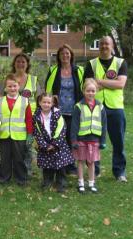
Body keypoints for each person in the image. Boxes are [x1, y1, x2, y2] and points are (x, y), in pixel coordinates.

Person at [84, 36, 128, 182]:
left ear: (112, 45)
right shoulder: (91, 64)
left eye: (106, 44)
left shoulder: (120, 62)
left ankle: (119, 172)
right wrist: (111, 83)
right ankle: (94, 171)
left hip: (115, 107)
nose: (104, 46)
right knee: (93, 141)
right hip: (95, 107)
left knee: (118, 141)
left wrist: (99, 81)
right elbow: (88, 85)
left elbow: (121, 84)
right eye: (101, 43)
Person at [45, 44, 84, 174]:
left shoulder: (79, 70)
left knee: (72, 137)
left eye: (67, 53)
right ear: (59, 56)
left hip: (74, 110)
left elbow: (84, 88)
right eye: (62, 54)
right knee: (60, 138)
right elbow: (47, 89)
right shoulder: (53, 70)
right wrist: (51, 98)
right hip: (58, 111)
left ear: (71, 55)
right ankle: (60, 163)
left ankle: (71, 165)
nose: (65, 56)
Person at [0, 74, 33, 186]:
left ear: (19, 86)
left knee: (19, 158)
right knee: (5, 158)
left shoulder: (25, 101)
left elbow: (28, 119)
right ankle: (4, 178)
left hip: (19, 135)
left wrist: (30, 134)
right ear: (5, 87)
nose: (12, 88)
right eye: (9, 86)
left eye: (14, 86)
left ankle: (21, 179)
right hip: (4, 134)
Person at [71, 79, 107, 193]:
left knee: (91, 162)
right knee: (80, 161)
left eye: (93, 91)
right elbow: (74, 125)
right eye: (88, 91)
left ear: (96, 91)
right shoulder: (78, 106)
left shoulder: (100, 106)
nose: (90, 93)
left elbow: (104, 124)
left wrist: (103, 140)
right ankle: (81, 183)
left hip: (94, 139)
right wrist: (74, 140)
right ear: (83, 91)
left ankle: (91, 183)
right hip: (81, 139)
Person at [33, 93, 74, 193]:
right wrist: (44, 145)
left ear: (52, 104)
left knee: (60, 165)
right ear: (39, 102)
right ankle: (47, 182)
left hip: (58, 144)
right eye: (44, 102)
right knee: (47, 166)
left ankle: (61, 183)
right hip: (45, 145)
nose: (46, 104)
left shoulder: (57, 114)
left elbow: (62, 129)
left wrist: (54, 144)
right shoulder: (36, 116)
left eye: (48, 102)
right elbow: (37, 132)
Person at [11, 53, 41, 178]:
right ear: (14, 64)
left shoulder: (33, 79)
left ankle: (27, 170)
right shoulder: (9, 78)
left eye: (23, 62)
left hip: (31, 118)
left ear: (27, 64)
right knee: (15, 146)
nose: (20, 64)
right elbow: (3, 97)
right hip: (13, 118)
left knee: (28, 146)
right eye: (18, 61)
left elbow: (39, 98)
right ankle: (15, 170)